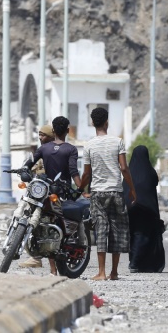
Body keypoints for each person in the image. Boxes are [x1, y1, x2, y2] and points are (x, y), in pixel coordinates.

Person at [79, 107, 137, 281]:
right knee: (117, 230)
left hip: (97, 193)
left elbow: (86, 173)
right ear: (107, 122)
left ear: (92, 123)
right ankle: (114, 272)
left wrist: (82, 188)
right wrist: (132, 189)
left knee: (101, 230)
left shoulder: (88, 145)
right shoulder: (118, 142)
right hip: (116, 191)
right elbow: (124, 168)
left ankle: (101, 272)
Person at [20, 116, 81, 274]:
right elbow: (74, 171)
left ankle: (53, 270)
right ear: (67, 130)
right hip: (62, 192)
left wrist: (23, 171)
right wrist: (81, 188)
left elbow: (28, 163)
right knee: (56, 226)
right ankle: (52, 266)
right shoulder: (71, 149)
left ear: (53, 131)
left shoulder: (43, 149)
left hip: (46, 191)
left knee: (46, 225)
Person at [122, 145, 165, 273]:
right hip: (147, 209)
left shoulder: (128, 172)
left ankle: (134, 261)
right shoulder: (150, 172)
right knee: (143, 234)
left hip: (130, 208)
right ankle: (135, 263)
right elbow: (154, 184)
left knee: (133, 234)